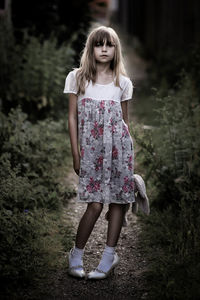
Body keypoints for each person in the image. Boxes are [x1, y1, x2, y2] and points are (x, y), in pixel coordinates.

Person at [63, 25, 135, 280]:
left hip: (119, 151)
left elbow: (125, 122)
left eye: (110, 44)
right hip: (91, 153)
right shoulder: (78, 78)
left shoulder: (123, 83)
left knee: (117, 201)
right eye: (99, 44)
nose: (104, 49)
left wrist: (127, 160)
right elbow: (72, 117)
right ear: (91, 48)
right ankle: (77, 255)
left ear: (116, 50)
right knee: (94, 204)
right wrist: (76, 154)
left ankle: (108, 257)